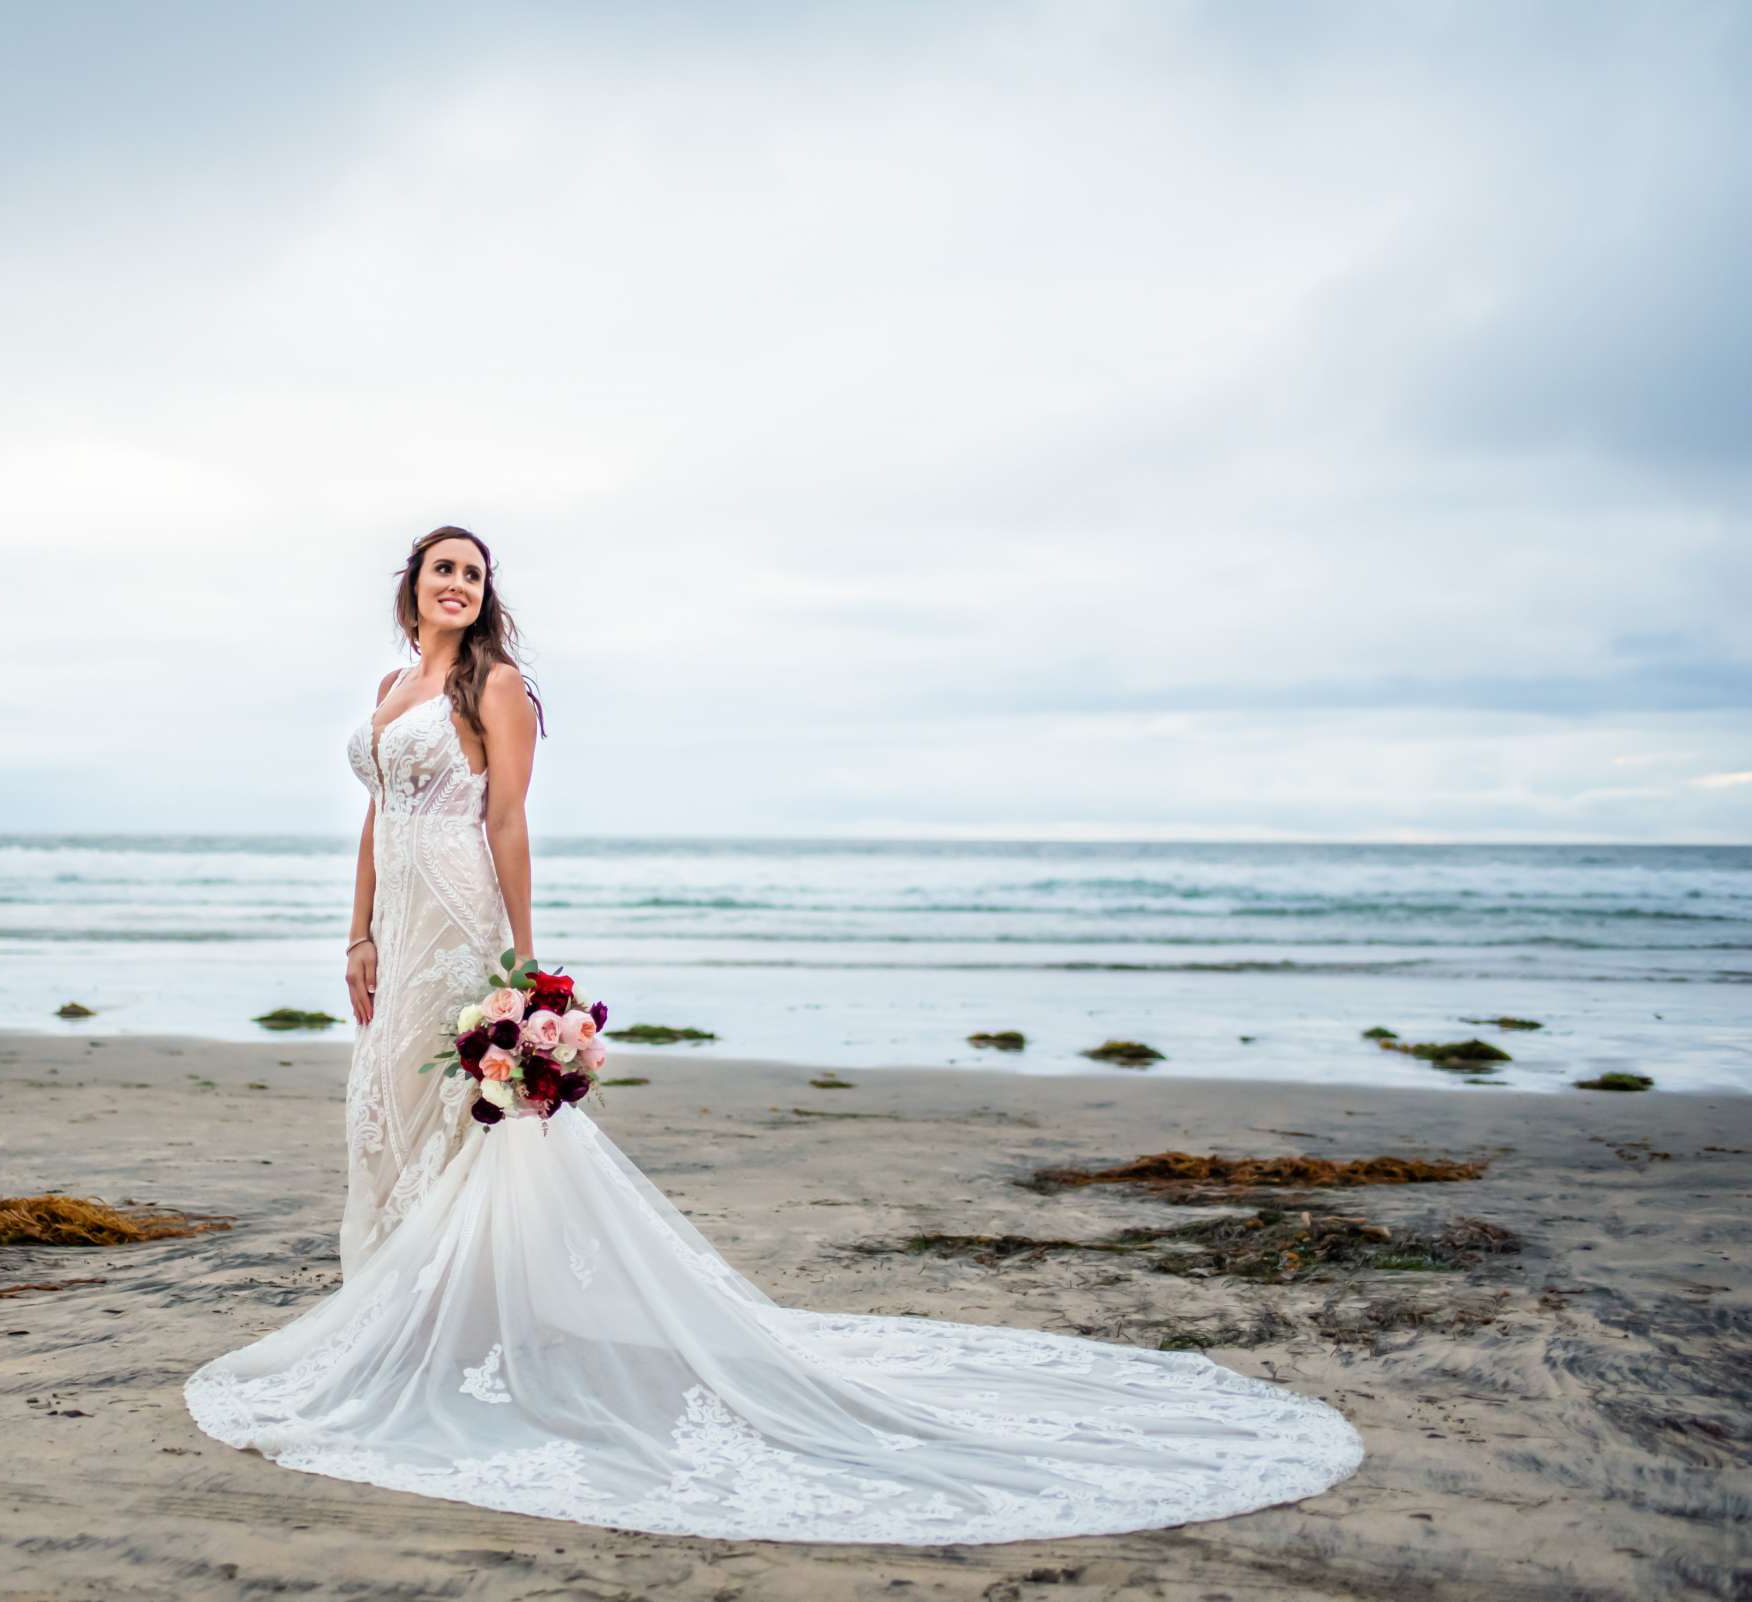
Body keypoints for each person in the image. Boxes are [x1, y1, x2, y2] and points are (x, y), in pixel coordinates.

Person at [183, 527, 1364, 1544]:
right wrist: (354, 939)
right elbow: (377, 822)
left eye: (475, 573)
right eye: (443, 569)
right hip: (397, 917)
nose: (459, 585)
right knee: (386, 1115)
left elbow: (505, 816)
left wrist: (523, 965)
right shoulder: (392, 692)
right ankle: (401, 1319)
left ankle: (463, 1336)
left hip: (464, 916)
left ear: (489, 595)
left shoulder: (492, 688)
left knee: (465, 1122)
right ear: (413, 584)